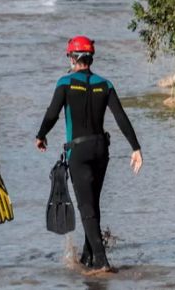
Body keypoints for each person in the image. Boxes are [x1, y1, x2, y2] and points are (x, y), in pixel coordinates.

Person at [35, 36, 143, 272]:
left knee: (86, 207)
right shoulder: (105, 84)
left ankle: (102, 262)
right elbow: (121, 117)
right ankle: (87, 257)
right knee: (92, 204)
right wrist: (135, 147)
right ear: (90, 57)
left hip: (79, 151)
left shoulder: (65, 82)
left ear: (73, 58)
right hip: (101, 149)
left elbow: (52, 113)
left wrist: (41, 135)